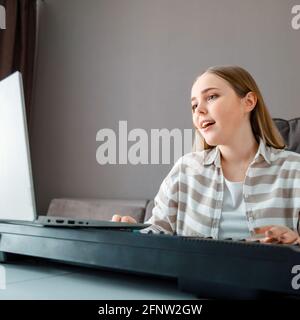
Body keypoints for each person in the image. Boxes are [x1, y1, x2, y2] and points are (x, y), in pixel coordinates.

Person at [112, 65, 300, 244]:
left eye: (211, 97)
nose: (199, 111)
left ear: (248, 102)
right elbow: (156, 235)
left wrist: (296, 242)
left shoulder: (294, 170)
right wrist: (131, 233)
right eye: (194, 106)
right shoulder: (185, 170)